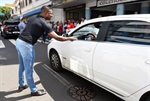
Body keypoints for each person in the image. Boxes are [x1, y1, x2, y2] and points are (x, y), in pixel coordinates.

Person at [15, 6, 76, 96]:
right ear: (45, 12)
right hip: (26, 45)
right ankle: (34, 90)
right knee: (29, 69)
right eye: (50, 13)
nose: (52, 15)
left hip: (19, 41)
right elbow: (57, 37)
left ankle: (21, 85)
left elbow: (26, 29)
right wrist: (70, 38)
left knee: (22, 66)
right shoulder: (43, 23)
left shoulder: (33, 18)